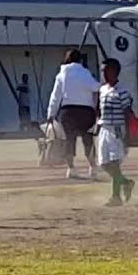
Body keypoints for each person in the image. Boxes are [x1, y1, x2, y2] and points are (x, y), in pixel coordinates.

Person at [46, 49, 101, 180]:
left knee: (69, 141)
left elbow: (55, 96)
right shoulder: (86, 73)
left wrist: (51, 113)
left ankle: (71, 169)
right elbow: (96, 87)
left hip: (68, 111)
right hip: (86, 112)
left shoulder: (62, 75)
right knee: (88, 141)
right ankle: (92, 167)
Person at [96, 59, 137, 207]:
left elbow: (127, 113)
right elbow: (99, 110)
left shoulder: (122, 92)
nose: (104, 74)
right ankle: (126, 183)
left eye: (106, 71)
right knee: (104, 163)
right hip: (105, 129)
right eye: (102, 71)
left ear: (115, 72)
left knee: (114, 163)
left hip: (117, 130)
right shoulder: (102, 90)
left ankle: (115, 197)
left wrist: (127, 135)